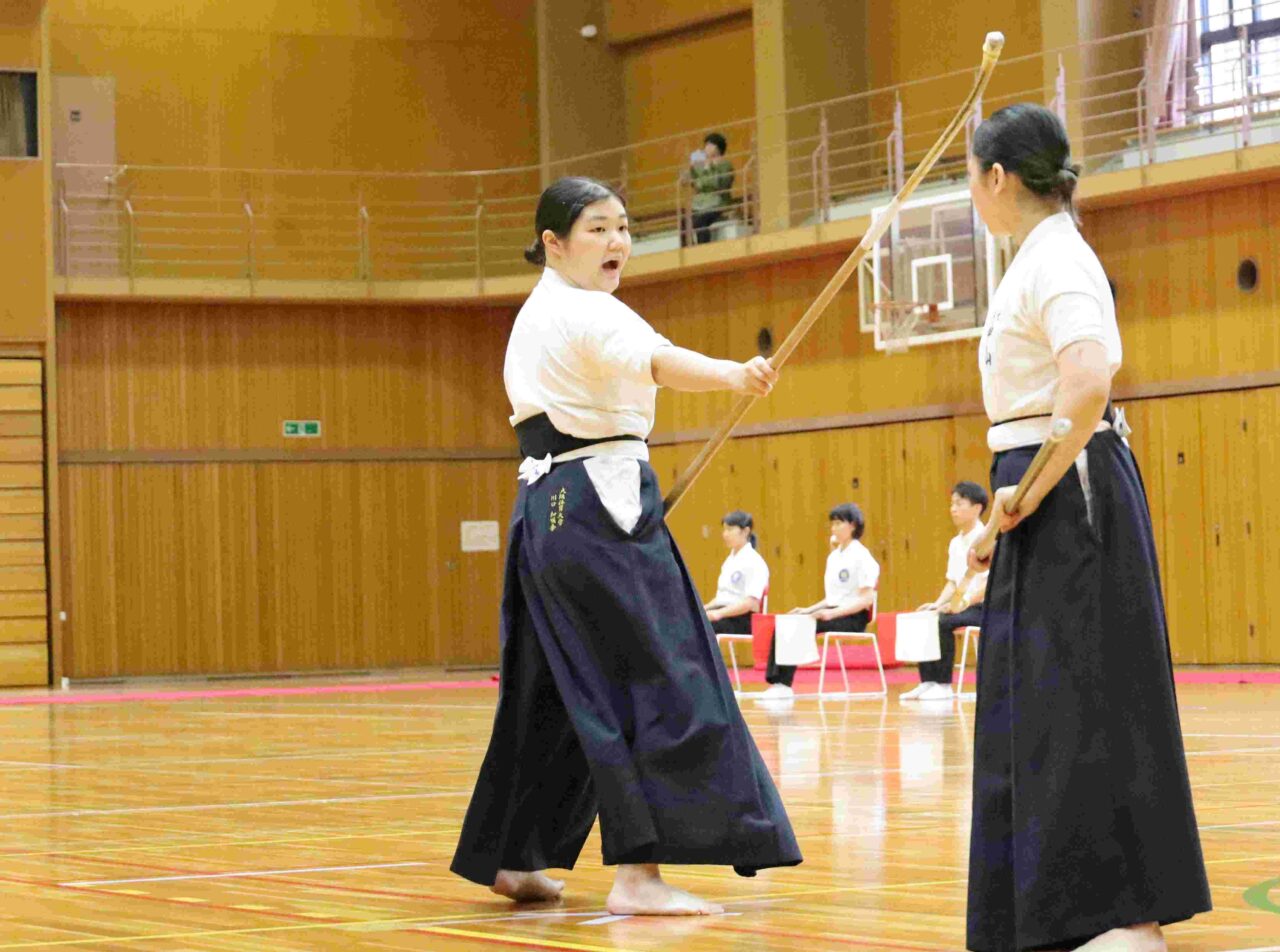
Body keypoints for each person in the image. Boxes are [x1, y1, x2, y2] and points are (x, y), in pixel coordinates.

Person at [450, 177, 801, 917]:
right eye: (599, 230)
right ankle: (639, 875)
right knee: (654, 680)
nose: (618, 243)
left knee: (555, 689)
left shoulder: (540, 312)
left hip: (554, 509)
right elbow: (661, 360)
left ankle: (516, 859)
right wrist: (733, 376)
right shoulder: (581, 311)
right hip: (594, 513)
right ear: (554, 242)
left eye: (622, 228)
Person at [964, 104, 1210, 951]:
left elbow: (1088, 381)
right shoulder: (1031, 259)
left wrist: (1026, 493)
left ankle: (1125, 912)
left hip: (1072, 490)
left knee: (1089, 695)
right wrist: (1006, 507)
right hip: (1039, 488)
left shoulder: (1059, 259)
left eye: (973, 176)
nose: (972, 192)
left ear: (997, 178)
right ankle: (1066, 909)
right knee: (1040, 705)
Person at [764, 503, 879, 700]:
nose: (833, 528)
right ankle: (777, 683)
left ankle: (784, 684)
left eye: (838, 523)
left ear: (852, 526)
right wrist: (807, 609)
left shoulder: (863, 557)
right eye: (832, 524)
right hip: (833, 611)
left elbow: (866, 599)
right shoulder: (834, 557)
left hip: (853, 617)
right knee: (788, 621)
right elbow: (832, 598)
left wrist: (832, 613)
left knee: (799, 626)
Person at [901, 481, 989, 703]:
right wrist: (937, 602)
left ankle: (943, 684)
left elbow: (988, 584)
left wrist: (964, 602)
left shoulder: (987, 538)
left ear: (977, 508)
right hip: (961, 604)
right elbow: (952, 581)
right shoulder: (955, 543)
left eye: (959, 504)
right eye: (952, 504)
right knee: (926, 616)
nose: (953, 509)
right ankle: (927, 681)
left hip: (983, 606)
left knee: (943, 621)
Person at [704, 510, 769, 636]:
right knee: (688, 619)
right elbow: (721, 598)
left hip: (742, 618)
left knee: (698, 628)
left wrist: (719, 613)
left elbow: (751, 604)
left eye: (730, 530)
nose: (725, 534)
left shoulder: (755, 562)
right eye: (724, 530)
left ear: (745, 531)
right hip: (725, 612)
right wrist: (702, 608)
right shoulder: (730, 561)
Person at [689, 132, 734, 245]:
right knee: (684, 221)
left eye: (710, 145)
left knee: (700, 221)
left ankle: (703, 248)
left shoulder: (725, 165)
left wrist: (711, 168)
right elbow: (697, 185)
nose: (706, 148)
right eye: (706, 145)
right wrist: (693, 168)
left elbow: (718, 185)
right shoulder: (702, 165)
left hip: (717, 204)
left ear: (718, 148)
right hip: (700, 204)